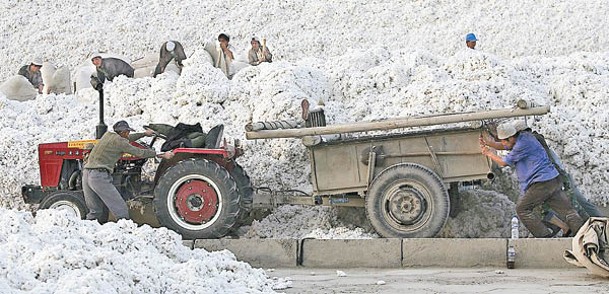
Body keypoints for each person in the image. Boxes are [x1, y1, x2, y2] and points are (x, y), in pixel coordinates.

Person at [480, 122, 584, 237]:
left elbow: (504, 162)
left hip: (541, 183)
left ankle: (544, 237)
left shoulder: (521, 145)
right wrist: (490, 143)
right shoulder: (525, 138)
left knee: (522, 209)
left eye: (504, 140)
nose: (503, 143)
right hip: (552, 179)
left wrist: (488, 153)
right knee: (568, 212)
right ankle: (584, 237)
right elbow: (506, 146)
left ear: (512, 137)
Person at [82, 120, 174, 222]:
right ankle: (125, 231)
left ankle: (85, 230)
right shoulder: (120, 142)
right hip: (98, 176)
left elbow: (127, 139)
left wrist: (144, 134)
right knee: (121, 210)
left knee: (95, 211)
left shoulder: (108, 135)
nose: (128, 134)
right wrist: (161, 154)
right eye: (127, 132)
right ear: (124, 132)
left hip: (86, 173)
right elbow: (140, 152)